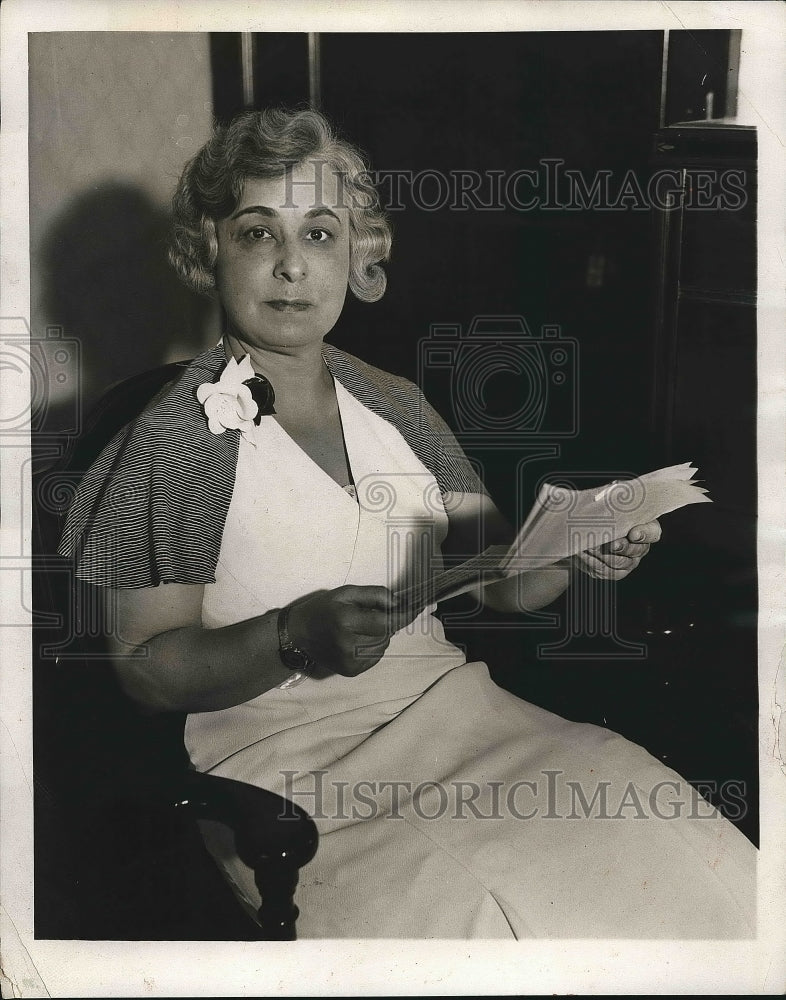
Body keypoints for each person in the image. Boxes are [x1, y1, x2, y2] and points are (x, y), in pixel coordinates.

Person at [59, 107, 756, 939]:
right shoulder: (185, 434)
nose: (290, 266)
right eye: (256, 233)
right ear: (209, 250)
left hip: (468, 722)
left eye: (320, 234)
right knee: (490, 920)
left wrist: (580, 548)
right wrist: (292, 636)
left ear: (358, 255)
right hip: (295, 774)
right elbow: (146, 670)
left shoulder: (396, 403)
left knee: (671, 840)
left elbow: (508, 581)